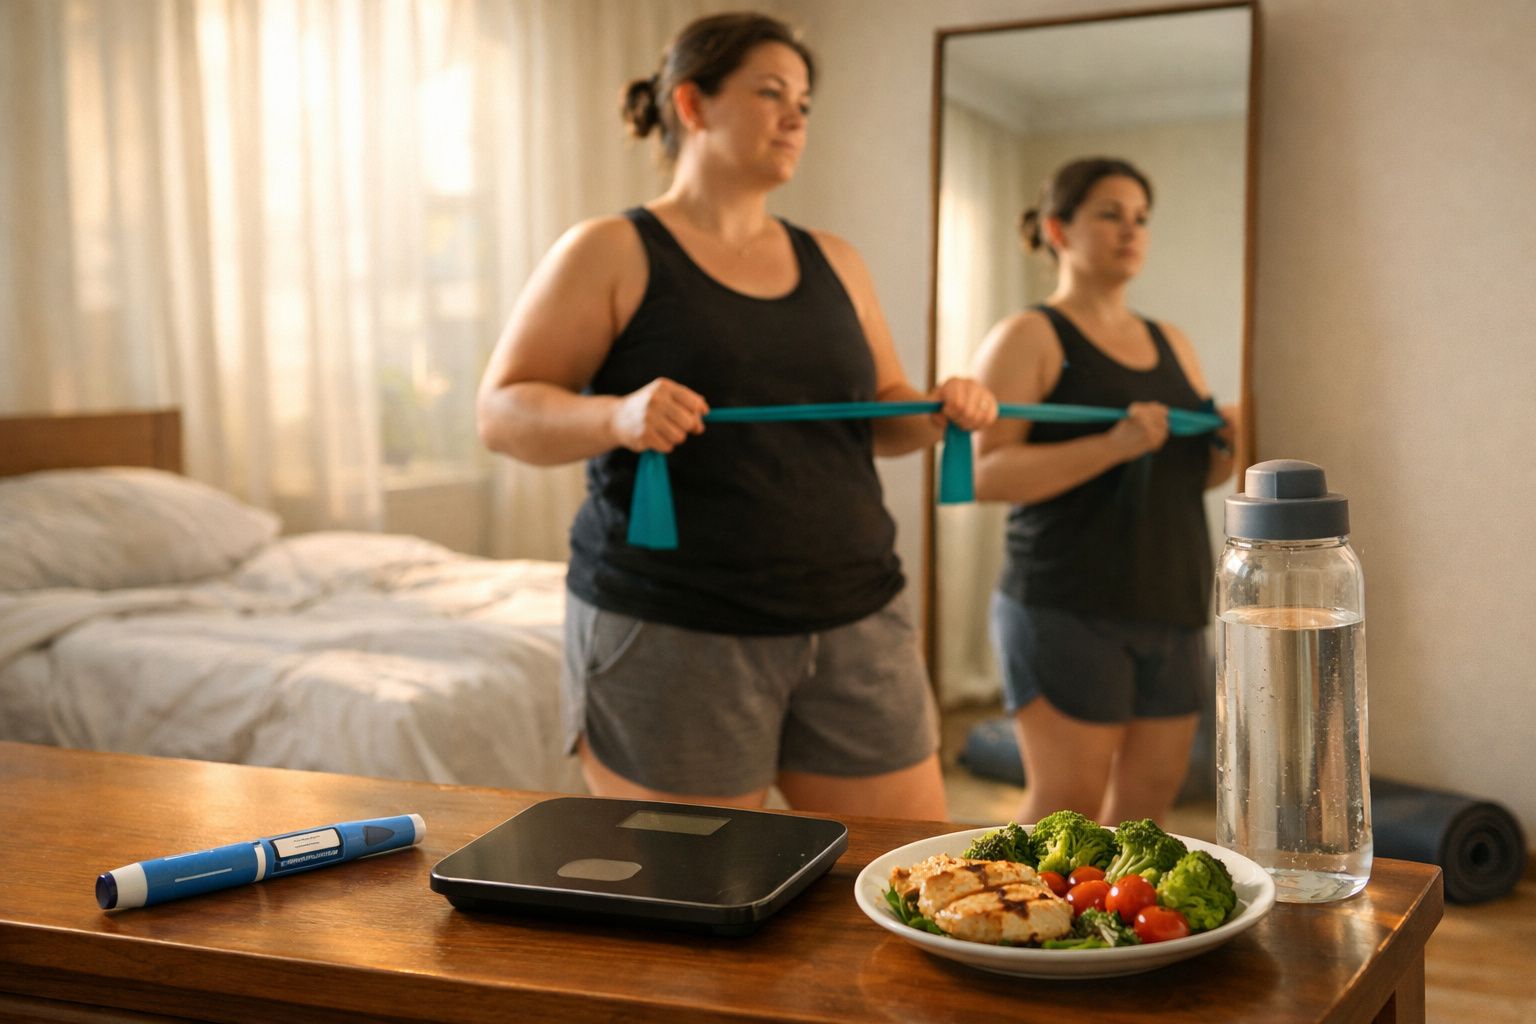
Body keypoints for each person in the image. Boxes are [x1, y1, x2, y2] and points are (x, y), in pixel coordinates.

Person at [476, 12, 996, 819]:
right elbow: (502, 412)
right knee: (695, 908)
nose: (796, 116)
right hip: (677, 630)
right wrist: (617, 417)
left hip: (857, 618)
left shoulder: (836, 261)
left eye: (805, 101)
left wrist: (940, 410)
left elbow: (886, 417)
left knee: (907, 887)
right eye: (770, 92)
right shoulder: (611, 250)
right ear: (693, 104)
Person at [970, 156, 1238, 826]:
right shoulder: (1029, 335)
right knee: (1068, 813)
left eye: (1141, 218)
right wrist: (1112, 446)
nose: (1131, 231)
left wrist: (1225, 447)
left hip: (1173, 600)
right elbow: (986, 472)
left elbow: (1191, 477)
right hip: (1066, 602)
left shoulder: (1169, 340)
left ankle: (1117, 935)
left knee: (1146, 812)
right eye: (1110, 214)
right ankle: (1022, 928)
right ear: (1058, 229)